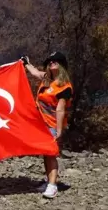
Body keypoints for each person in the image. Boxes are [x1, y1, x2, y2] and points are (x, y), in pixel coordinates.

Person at [22, 51, 73, 199]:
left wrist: (58, 131)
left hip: (52, 124)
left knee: (50, 154)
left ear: (62, 64)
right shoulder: (47, 79)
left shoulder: (64, 86)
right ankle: (49, 181)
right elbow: (35, 73)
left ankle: (52, 186)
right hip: (41, 123)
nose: (51, 63)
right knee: (46, 153)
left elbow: (60, 109)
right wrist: (26, 63)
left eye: (55, 61)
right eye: (50, 62)